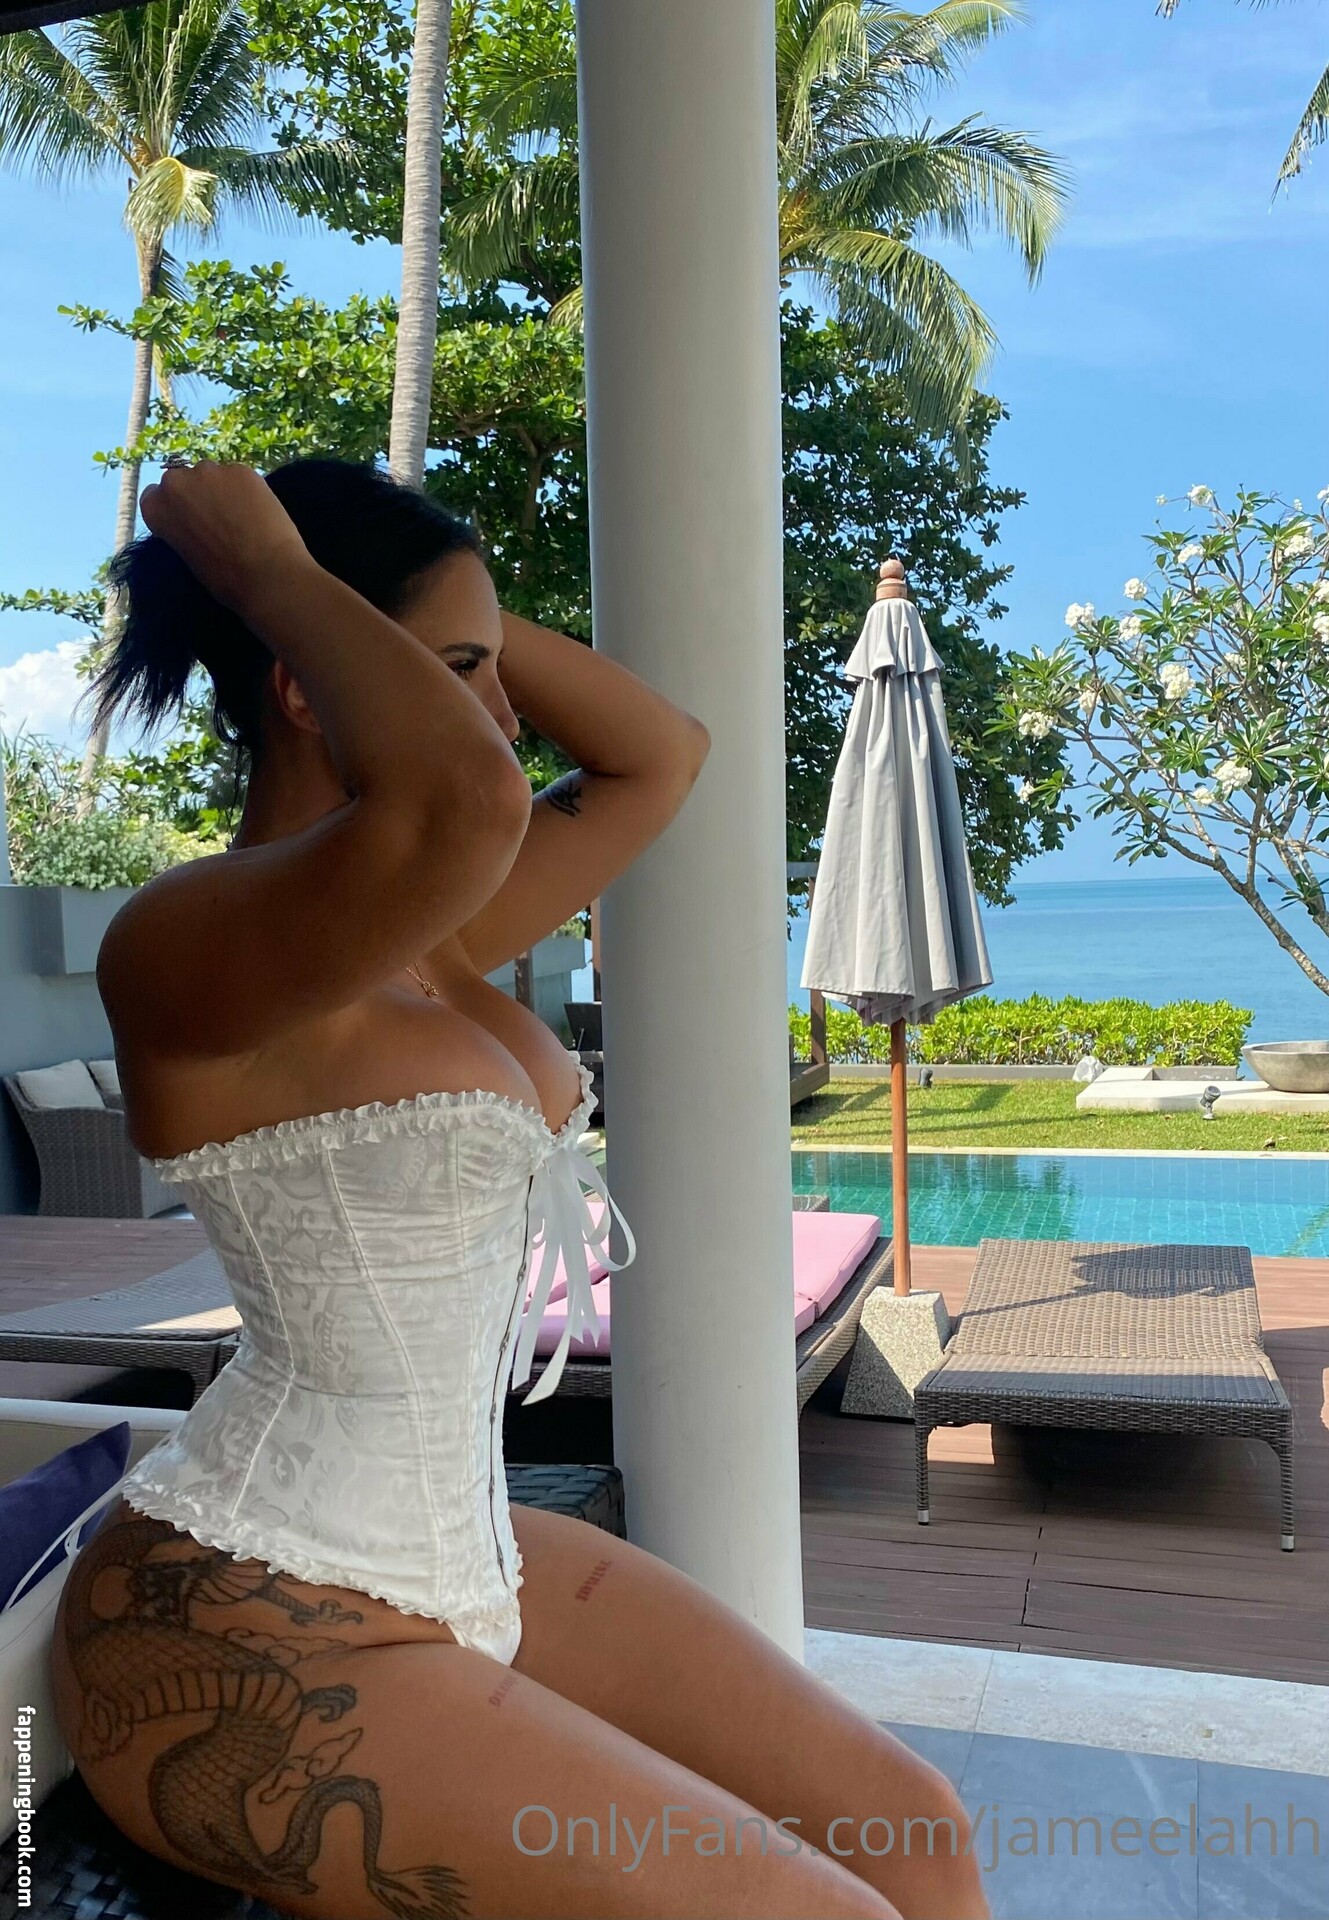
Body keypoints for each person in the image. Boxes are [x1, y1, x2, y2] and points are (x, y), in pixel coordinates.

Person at [49, 458, 988, 1920]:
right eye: (459, 675)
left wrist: (449, 606)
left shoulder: (425, 940)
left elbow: (659, 754)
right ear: (307, 682)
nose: (503, 715)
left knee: (912, 1829)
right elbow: (471, 796)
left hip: (464, 1549)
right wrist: (283, 583)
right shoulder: (186, 946)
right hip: (240, 1618)